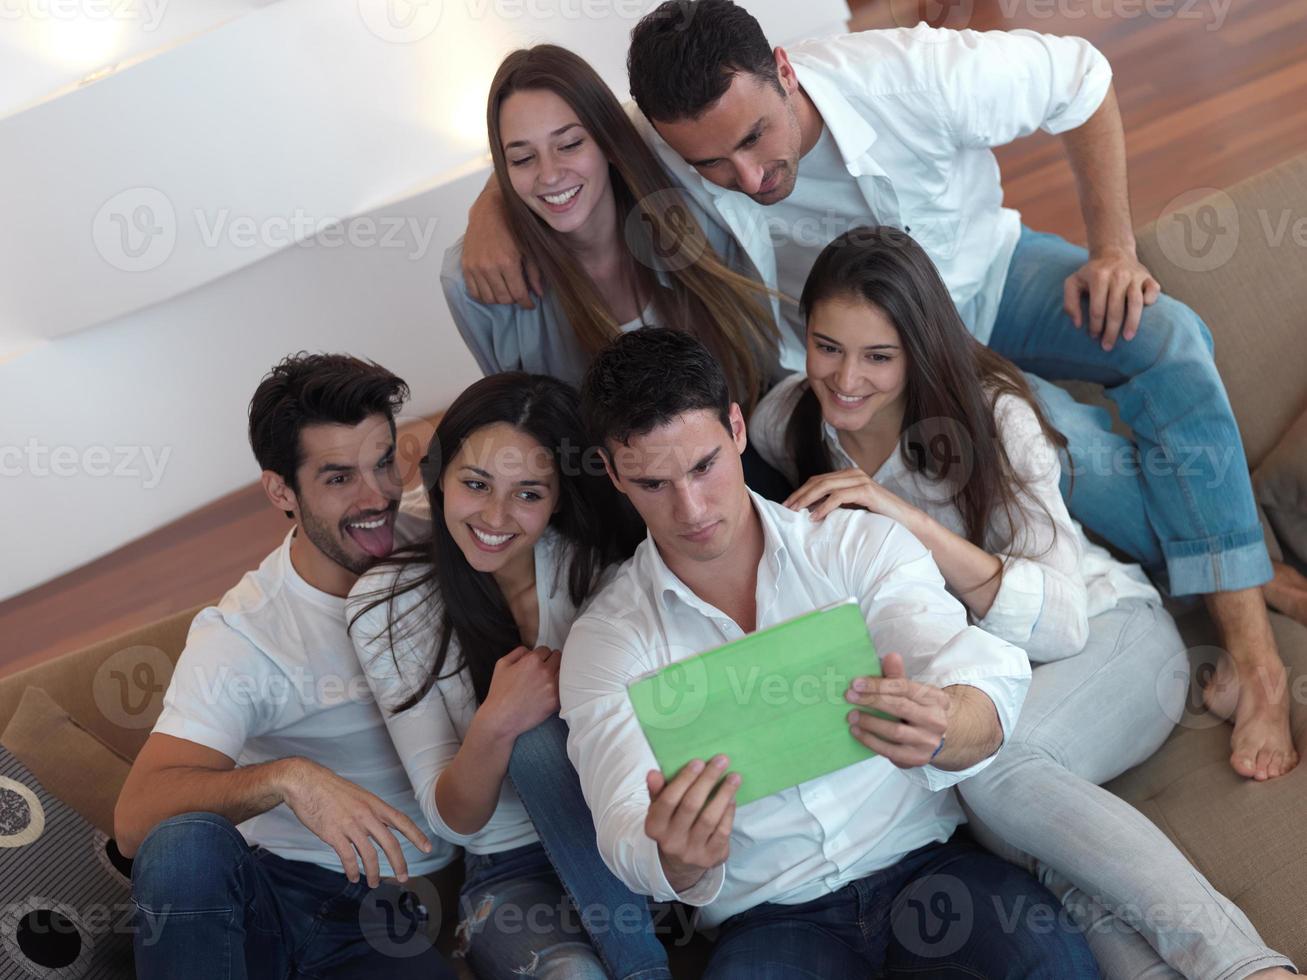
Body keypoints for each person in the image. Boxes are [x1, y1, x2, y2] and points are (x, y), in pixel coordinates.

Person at [463, 1, 1297, 783]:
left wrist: (1111, 247)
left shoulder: (913, 72)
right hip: (883, 356)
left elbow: (1082, 78)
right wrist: (491, 209)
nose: (747, 175)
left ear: (784, 70)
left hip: (991, 278)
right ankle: (1232, 581)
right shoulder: (675, 141)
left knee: (1170, 336)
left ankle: (1244, 635)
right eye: (711, 163)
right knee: (1058, 435)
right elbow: (566, 149)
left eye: (756, 137)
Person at [748, 226, 1295, 978]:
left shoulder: (992, 417)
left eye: (878, 356)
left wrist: (898, 513)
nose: (845, 379)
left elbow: (1064, 621)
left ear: (920, 349)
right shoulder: (790, 420)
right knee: (1029, 847)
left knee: (989, 770)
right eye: (825, 347)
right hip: (990, 682)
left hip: (1113, 638)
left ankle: (1242, 966)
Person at [558, 326, 1099, 976]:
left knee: (1047, 960)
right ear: (613, 474)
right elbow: (621, 820)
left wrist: (951, 722)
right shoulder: (603, 642)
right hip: (771, 920)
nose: (691, 507)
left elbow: (976, 668)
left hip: (926, 866)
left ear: (735, 429)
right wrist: (673, 856)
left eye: (703, 466)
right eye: (652, 483)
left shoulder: (852, 547)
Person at [115, 353, 457, 979]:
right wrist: (288, 779)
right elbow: (137, 820)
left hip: (387, 916)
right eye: (337, 479)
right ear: (281, 492)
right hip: (273, 895)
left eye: (383, 461)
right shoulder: (246, 632)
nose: (375, 495)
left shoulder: (450, 541)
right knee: (183, 845)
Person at [347, 372, 668, 979]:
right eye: (475, 484)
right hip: (512, 875)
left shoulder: (598, 575)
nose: (495, 515)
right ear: (440, 478)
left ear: (557, 499)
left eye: (528, 494)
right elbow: (451, 820)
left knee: (545, 738)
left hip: (626, 837)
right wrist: (496, 722)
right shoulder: (387, 606)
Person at [445, 43, 785, 415]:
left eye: (570, 144)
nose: (550, 175)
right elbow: (520, 425)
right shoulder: (471, 287)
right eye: (523, 158)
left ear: (607, 141)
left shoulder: (690, 196)